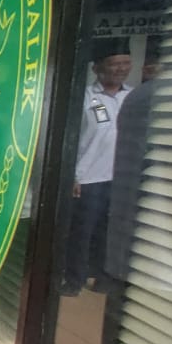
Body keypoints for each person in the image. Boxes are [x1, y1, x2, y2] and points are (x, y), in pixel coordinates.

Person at [64, 39, 134, 295]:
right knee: (82, 234)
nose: (121, 69)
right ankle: (75, 280)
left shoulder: (132, 96)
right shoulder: (84, 97)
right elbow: (72, 139)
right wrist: (73, 175)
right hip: (88, 179)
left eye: (125, 63)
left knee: (112, 233)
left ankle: (105, 278)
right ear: (97, 68)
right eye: (114, 64)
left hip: (121, 179)